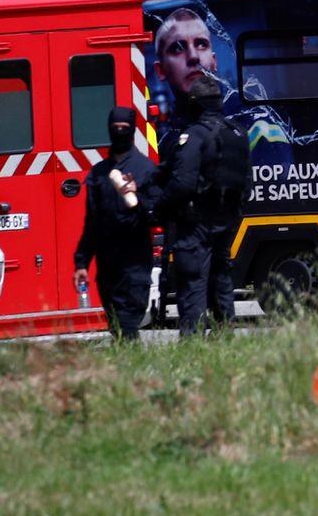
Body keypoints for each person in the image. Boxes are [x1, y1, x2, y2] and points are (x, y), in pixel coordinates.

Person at [148, 75, 246, 334]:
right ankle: (225, 334)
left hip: (196, 223)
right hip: (227, 220)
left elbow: (182, 183)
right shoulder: (237, 132)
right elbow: (247, 182)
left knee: (192, 281)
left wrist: (158, 207)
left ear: (196, 104)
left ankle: (192, 342)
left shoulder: (194, 137)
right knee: (221, 277)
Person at [73, 106, 156, 340]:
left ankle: (132, 368)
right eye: (115, 128)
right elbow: (91, 222)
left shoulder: (146, 170)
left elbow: (158, 211)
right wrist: (81, 263)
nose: (119, 132)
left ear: (132, 130)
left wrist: (136, 197)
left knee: (128, 327)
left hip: (135, 263)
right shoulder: (99, 174)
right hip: (107, 265)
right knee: (116, 329)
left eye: (124, 128)